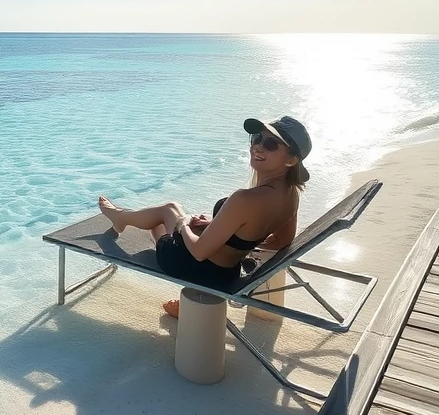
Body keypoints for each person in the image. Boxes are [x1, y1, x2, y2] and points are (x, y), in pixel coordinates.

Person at [97, 115, 311, 318]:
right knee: (189, 221)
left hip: (195, 270)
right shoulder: (291, 195)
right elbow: (282, 241)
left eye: (271, 144)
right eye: (257, 138)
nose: (257, 146)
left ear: (291, 160)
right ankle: (123, 218)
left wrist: (182, 226)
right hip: (227, 274)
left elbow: (199, 252)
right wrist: (230, 233)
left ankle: (121, 218)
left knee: (169, 210)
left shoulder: (245, 199)